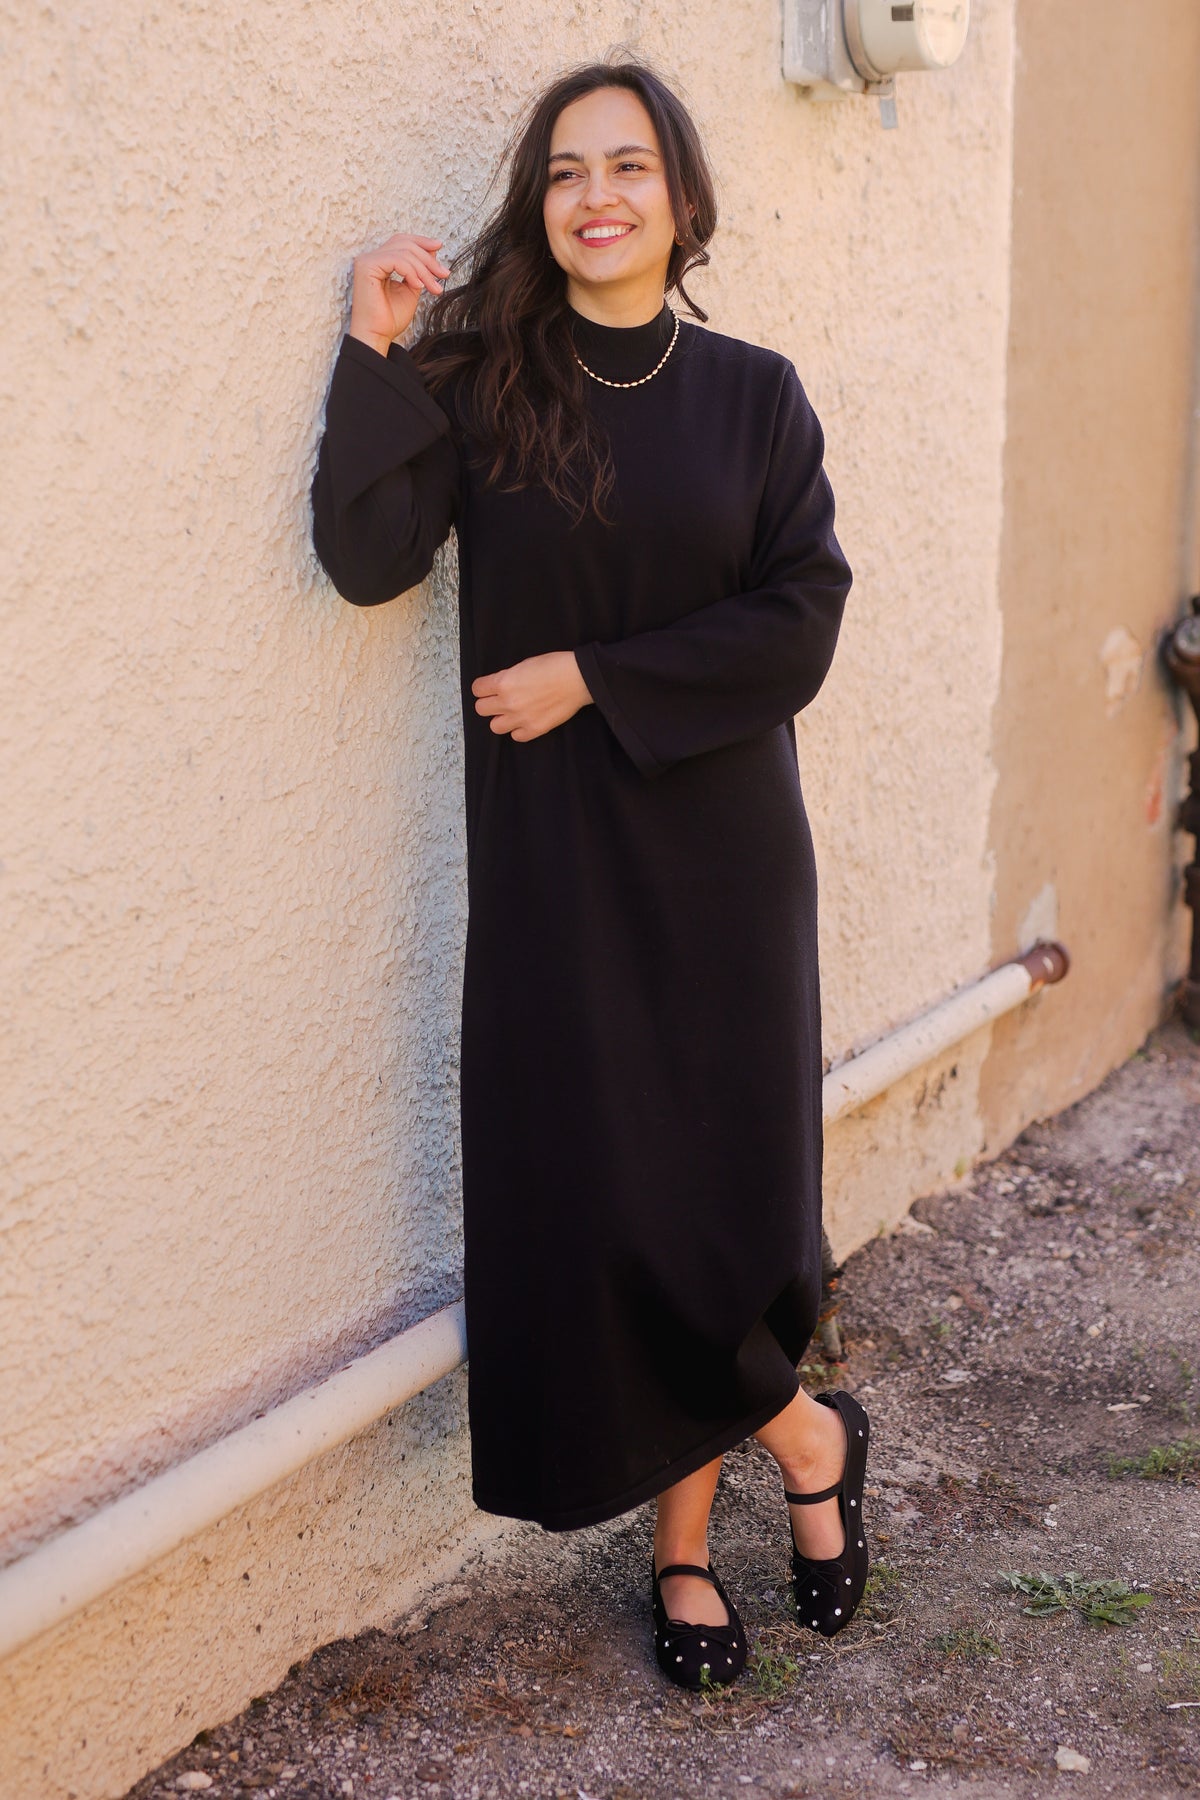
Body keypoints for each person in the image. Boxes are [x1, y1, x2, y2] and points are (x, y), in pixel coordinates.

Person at [311, 56, 865, 1691]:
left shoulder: (756, 395)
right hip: (557, 870)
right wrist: (375, 348)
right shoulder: (491, 381)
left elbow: (800, 620)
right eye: (565, 171)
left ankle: (688, 1551)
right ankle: (807, 1441)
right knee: (604, 1196)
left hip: (725, 866)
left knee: (719, 1204)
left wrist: (597, 681)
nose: (596, 195)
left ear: (682, 199)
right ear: (538, 207)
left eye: (628, 166)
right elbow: (365, 559)